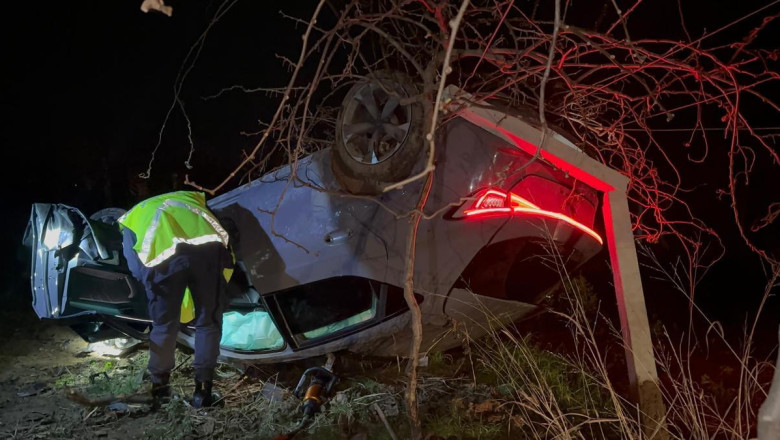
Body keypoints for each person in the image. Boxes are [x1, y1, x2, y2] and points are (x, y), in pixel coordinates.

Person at [118, 191, 232, 408]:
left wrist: (152, 285)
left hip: (162, 264)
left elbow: (135, 267)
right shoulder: (192, 199)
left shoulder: (132, 218)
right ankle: (203, 393)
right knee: (208, 322)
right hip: (208, 254)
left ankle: (160, 390)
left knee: (164, 325)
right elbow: (225, 242)